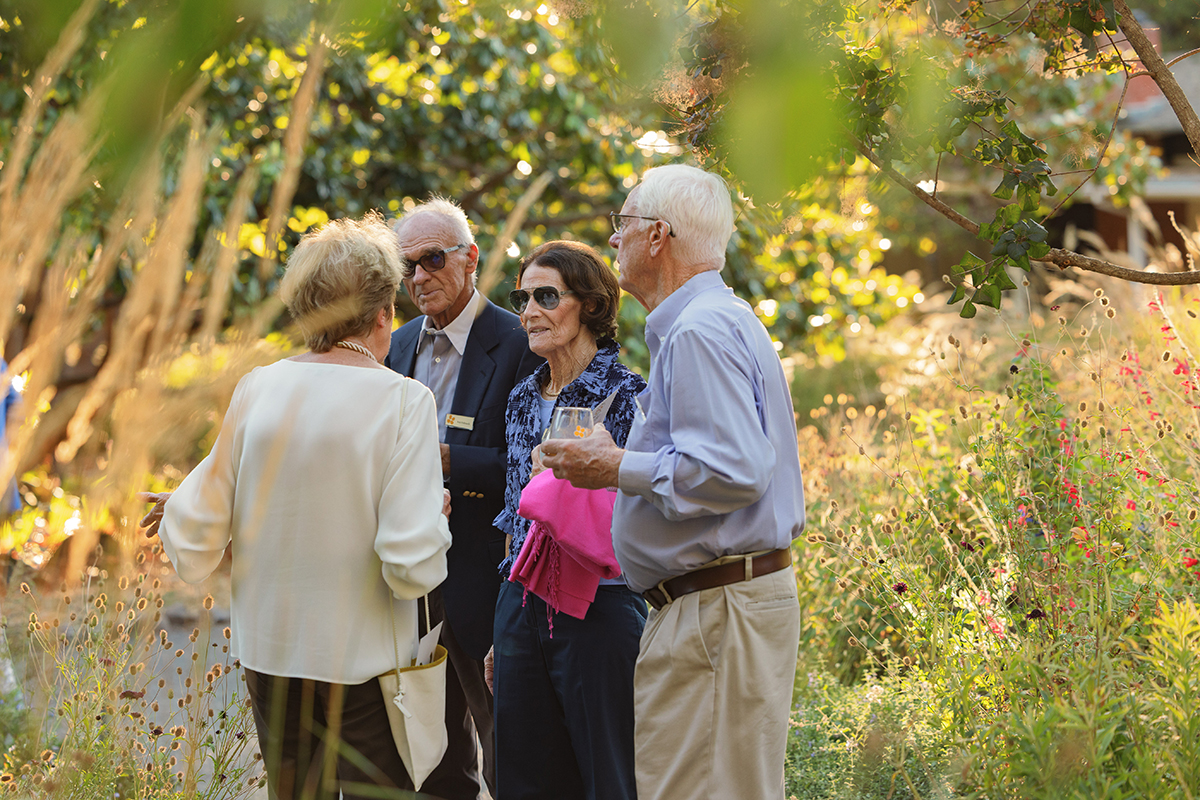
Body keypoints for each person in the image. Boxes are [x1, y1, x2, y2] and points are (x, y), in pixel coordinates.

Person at [142, 215, 452, 800]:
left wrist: (182, 506)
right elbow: (410, 566)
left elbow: (200, 527)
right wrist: (435, 516)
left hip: (271, 654)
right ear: (383, 310)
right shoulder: (405, 401)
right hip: (365, 668)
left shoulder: (258, 387)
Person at [540, 164, 805, 800]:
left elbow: (732, 470)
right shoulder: (712, 320)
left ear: (658, 235)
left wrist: (614, 466)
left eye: (622, 225)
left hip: (717, 610)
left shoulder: (698, 330)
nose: (612, 242)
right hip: (716, 605)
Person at [385, 198, 542, 799]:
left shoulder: (522, 340)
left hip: (488, 576)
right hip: (408, 583)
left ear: (471, 259)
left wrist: (448, 459)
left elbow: (538, 469)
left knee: (507, 747)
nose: (419, 277)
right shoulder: (394, 346)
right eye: (408, 266)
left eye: (432, 259)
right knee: (432, 753)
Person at [491, 240, 647, 800]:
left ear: (590, 304)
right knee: (522, 775)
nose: (529, 311)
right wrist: (502, 626)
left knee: (608, 774)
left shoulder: (629, 393)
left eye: (546, 296)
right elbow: (514, 513)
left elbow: (642, 508)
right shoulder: (520, 396)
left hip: (599, 604)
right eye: (522, 298)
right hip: (522, 600)